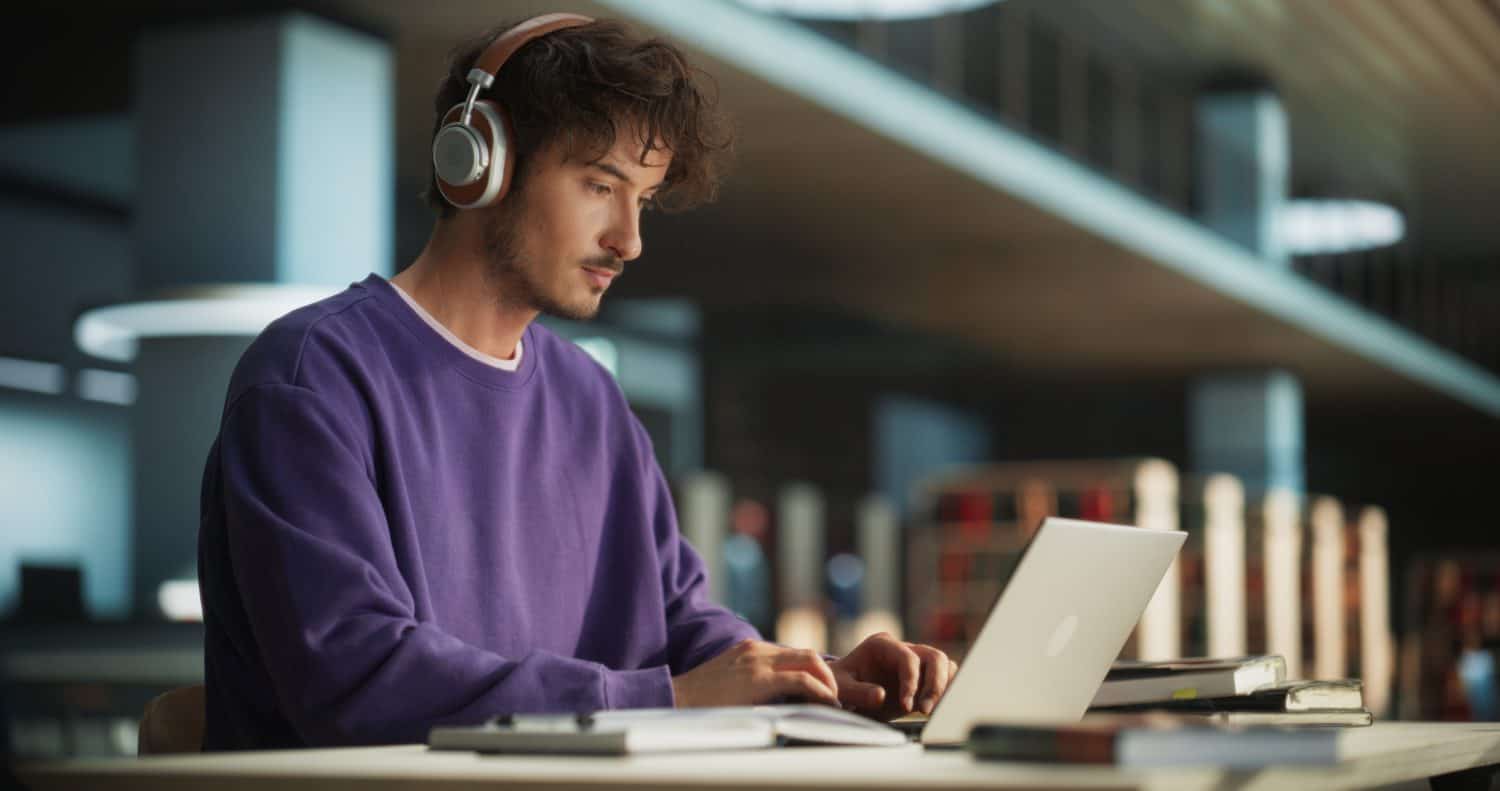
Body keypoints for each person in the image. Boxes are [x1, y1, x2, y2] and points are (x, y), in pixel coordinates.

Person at [198, 13, 955, 751]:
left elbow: (680, 622)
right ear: (480, 162)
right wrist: (669, 700)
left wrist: (814, 677)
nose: (629, 240)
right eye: (601, 185)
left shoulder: (591, 399)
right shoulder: (310, 379)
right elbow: (357, 679)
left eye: (644, 201)